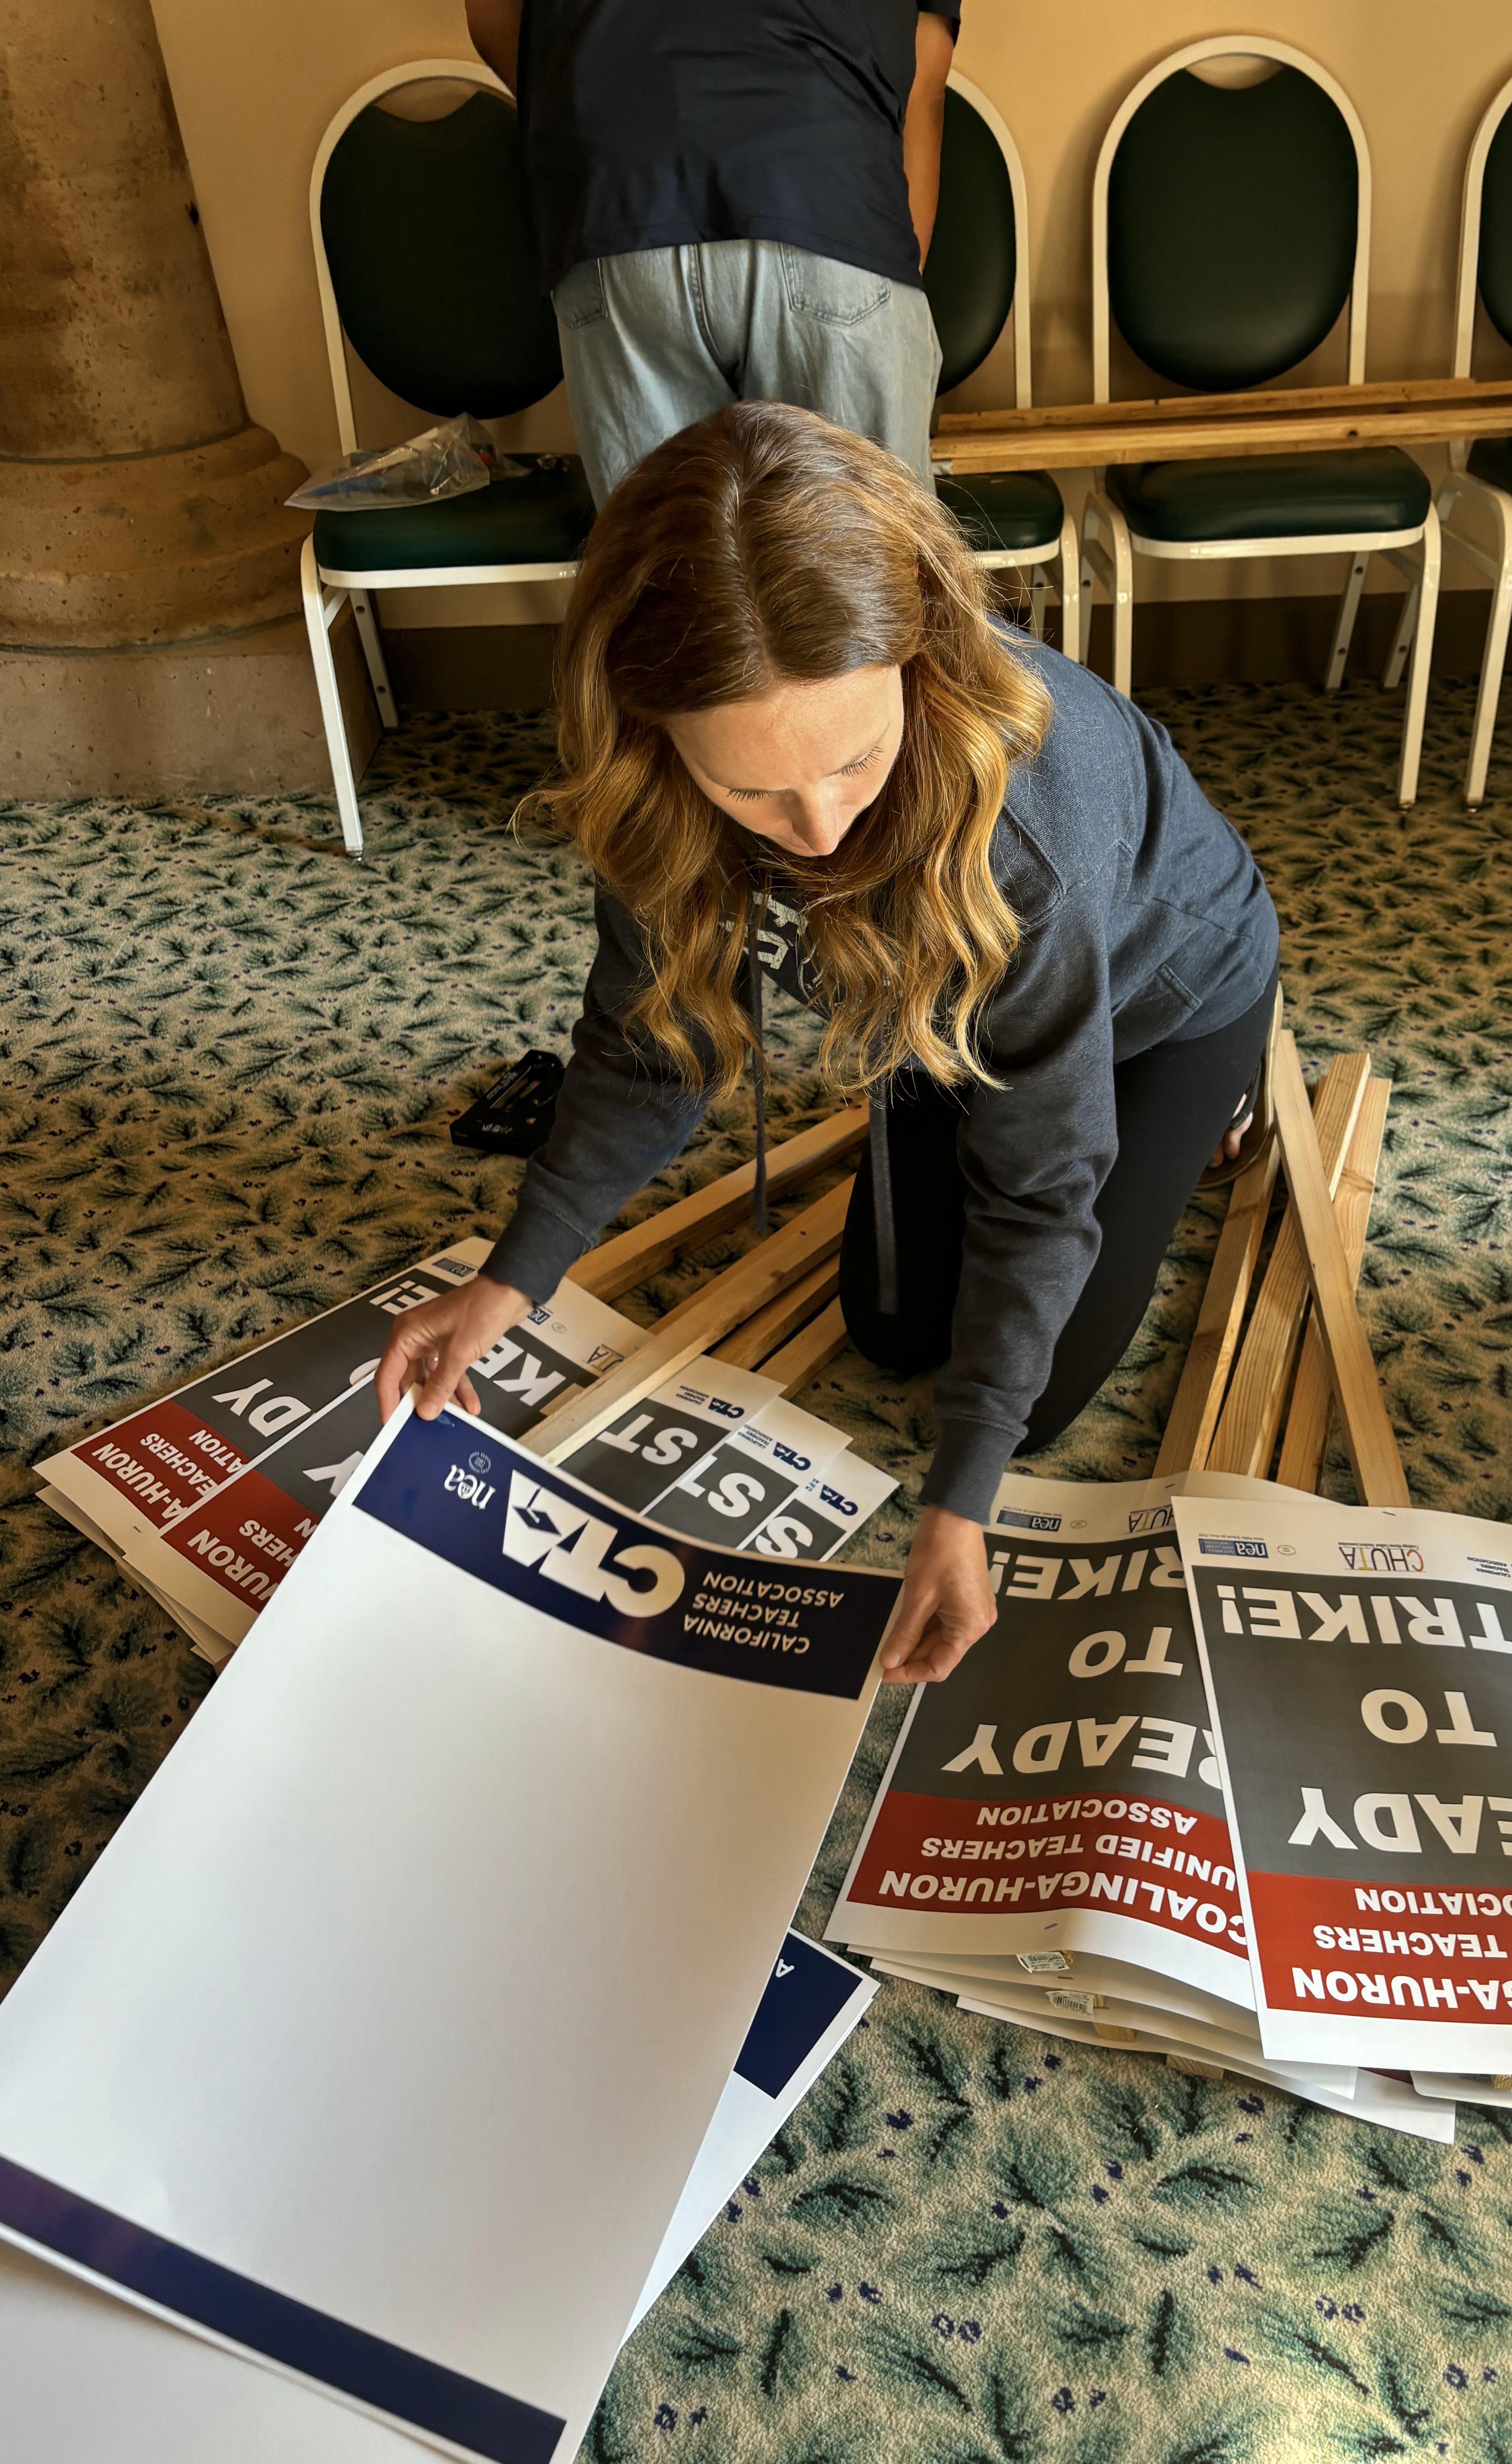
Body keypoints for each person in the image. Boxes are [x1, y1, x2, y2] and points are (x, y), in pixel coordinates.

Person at [375, 404, 1280, 1685]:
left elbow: (1042, 1186)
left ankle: (1220, 1093)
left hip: (1165, 998)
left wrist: (960, 1502)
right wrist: (510, 1279)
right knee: (896, 1329)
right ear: (652, 730)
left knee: (1029, 1407)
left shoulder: (1033, 833)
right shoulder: (652, 784)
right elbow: (648, 1046)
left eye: (857, 760)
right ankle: (940, 1030)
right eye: (749, 789)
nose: (816, 831)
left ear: (920, 660)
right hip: (929, 990)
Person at [466, 0, 959, 499]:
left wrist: (592, 119)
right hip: (827, 190)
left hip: (616, 197)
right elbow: (925, 85)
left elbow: (489, 16)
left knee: (659, 543)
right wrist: (889, 274)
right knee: (859, 544)